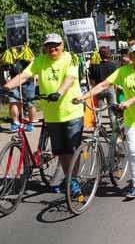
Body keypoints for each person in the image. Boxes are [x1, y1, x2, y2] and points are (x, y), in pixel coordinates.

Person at [77, 41, 135, 198]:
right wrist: (84, 97)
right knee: (133, 152)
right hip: (132, 117)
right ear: (130, 55)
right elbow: (104, 84)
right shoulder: (123, 71)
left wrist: (129, 101)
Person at [3, 33, 84, 193]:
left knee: (73, 150)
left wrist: (59, 92)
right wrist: (6, 87)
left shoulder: (71, 58)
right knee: (60, 151)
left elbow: (70, 78)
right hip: (52, 114)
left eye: (56, 45)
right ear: (44, 47)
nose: (52, 48)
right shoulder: (40, 60)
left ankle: (73, 181)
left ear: (62, 45)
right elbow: (25, 75)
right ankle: (68, 178)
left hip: (71, 112)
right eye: (48, 45)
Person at [6, 59, 37, 133]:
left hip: (28, 81)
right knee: (13, 101)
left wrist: (35, 78)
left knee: (30, 104)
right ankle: (15, 123)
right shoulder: (10, 52)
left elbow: (34, 64)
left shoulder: (26, 51)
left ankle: (30, 123)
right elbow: (6, 67)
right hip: (13, 81)